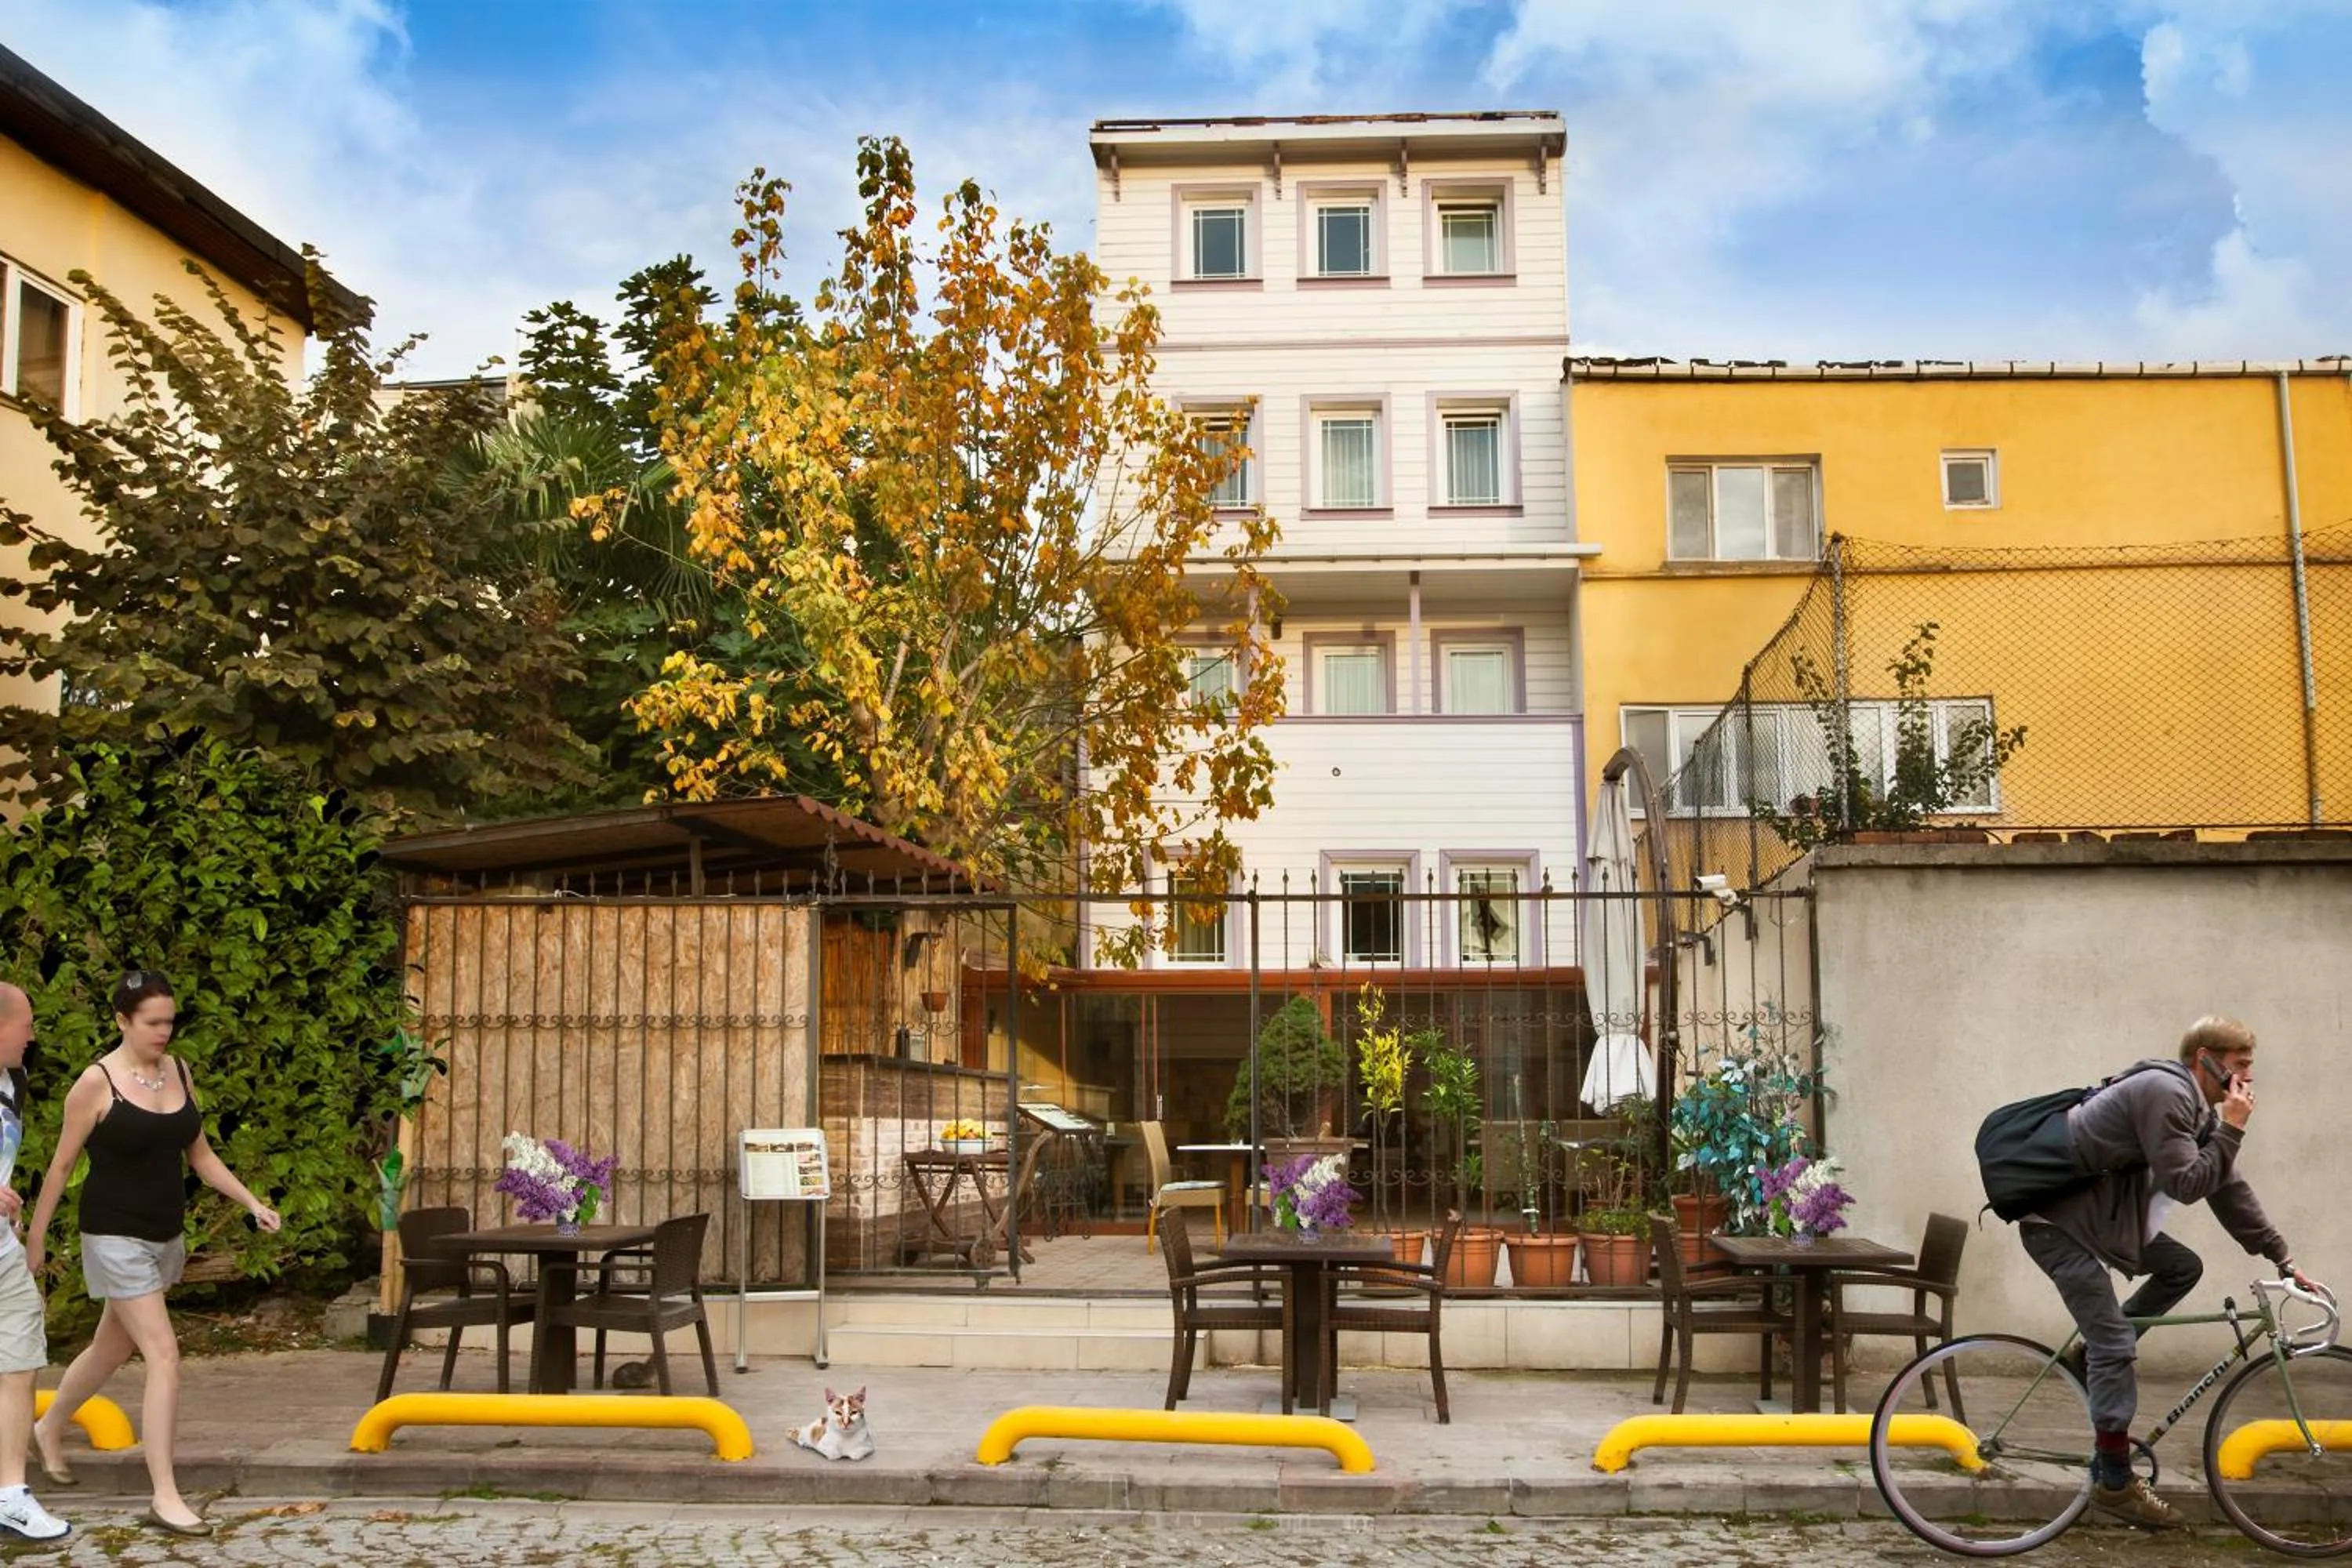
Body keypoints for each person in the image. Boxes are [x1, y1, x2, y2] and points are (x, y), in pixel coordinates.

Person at [2021, 1014, 2317, 1530]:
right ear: (2207, 1059)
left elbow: (2226, 1187)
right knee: (2117, 1344)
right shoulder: (2165, 1092)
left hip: (2097, 1220)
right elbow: (2185, 1183)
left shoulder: (2195, 1108)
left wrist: (2282, 1258)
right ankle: (2114, 1482)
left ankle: (2091, 1356)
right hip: (2058, 1224)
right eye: (2242, 1065)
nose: (2249, 1077)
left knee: (2182, 1267)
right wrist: (2233, 1128)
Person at [25, 970, 281, 1538]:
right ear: (122, 1021)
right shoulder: (95, 1084)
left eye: (170, 1020)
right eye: (153, 1023)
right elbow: (62, 1166)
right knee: (164, 1354)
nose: (165, 1032)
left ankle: (49, 1428)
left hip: (166, 1234)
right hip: (113, 1234)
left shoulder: (179, 1070)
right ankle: (165, 1496)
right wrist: (37, 1238)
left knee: (110, 1349)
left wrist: (251, 1202)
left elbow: (201, 1154)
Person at [0, 984, 70, 1544]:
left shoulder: (12, 1082)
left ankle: (10, 1496)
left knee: (20, 1362)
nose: (32, 1034)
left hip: (1, 1249)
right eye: (26, 1023)